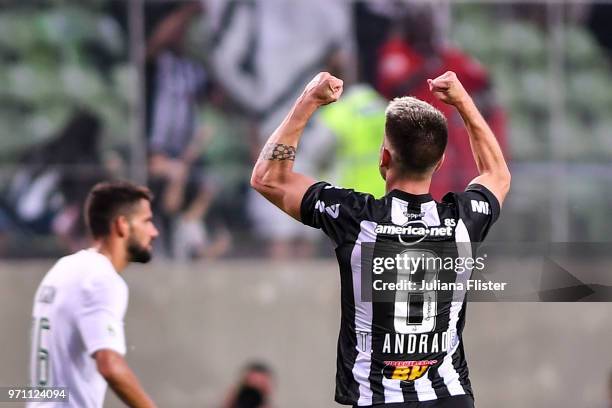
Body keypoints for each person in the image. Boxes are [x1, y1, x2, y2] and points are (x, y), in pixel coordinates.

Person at [250, 71, 510, 407]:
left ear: (384, 158)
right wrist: (462, 102)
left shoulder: (357, 220)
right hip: (451, 397)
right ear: (440, 161)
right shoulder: (462, 221)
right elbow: (497, 174)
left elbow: (267, 178)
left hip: (379, 400)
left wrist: (308, 100)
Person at [28, 181, 159, 408]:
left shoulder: (63, 268)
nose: (154, 232)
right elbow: (110, 365)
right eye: (146, 221)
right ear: (122, 225)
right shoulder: (102, 279)